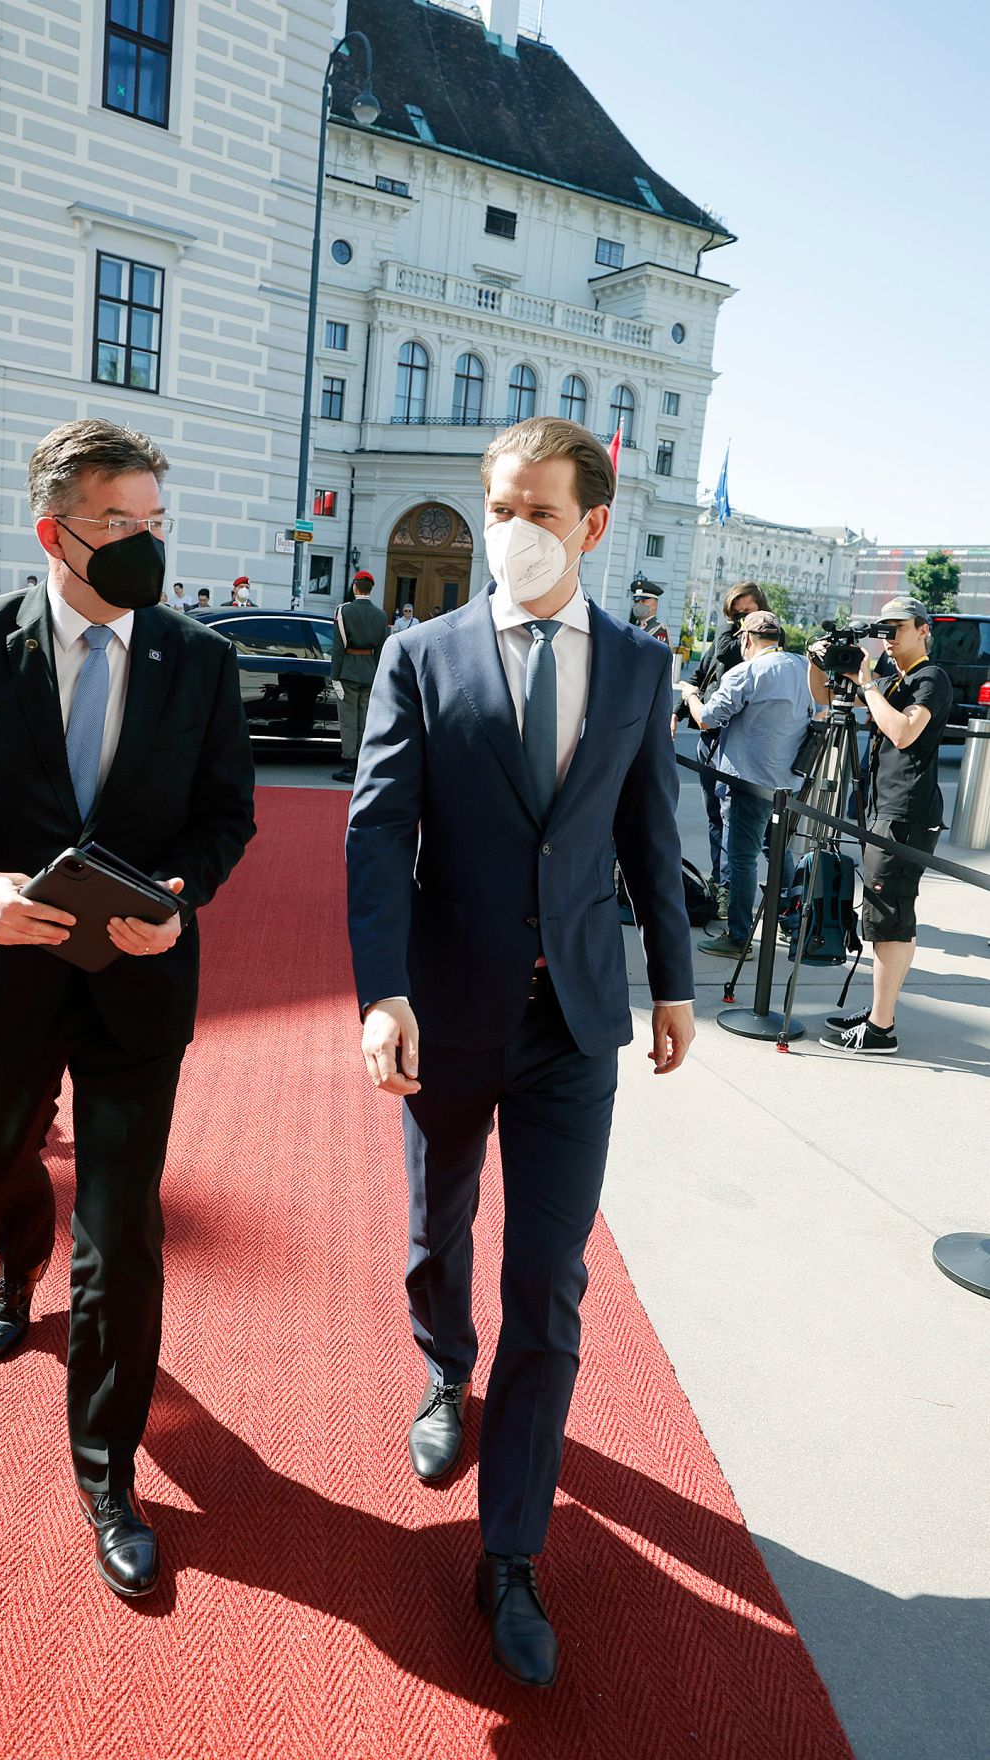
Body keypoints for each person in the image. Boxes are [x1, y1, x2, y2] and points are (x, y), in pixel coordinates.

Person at [0, 418, 255, 1599]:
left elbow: (225, 817)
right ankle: (11, 1258)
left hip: (138, 986)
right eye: (119, 524)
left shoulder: (200, 659)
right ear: (54, 533)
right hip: (10, 979)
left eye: (155, 523)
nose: (145, 546)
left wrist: (184, 896)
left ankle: (108, 1474)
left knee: (123, 1236)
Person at [346, 416, 694, 1690]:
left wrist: (670, 979)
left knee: (549, 1278)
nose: (513, 530)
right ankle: (445, 1370)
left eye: (539, 510)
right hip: (449, 1006)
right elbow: (379, 829)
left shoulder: (643, 667)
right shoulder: (423, 653)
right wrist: (382, 989)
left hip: (577, 1018)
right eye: (500, 505)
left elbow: (649, 835)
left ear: (592, 525)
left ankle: (510, 1553)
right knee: (442, 1232)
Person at [812, 596, 952, 1055]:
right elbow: (823, 698)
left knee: (886, 919)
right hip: (886, 811)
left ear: (923, 629)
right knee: (894, 918)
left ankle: (880, 1030)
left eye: (897, 630)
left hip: (905, 815)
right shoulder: (894, 681)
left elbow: (903, 732)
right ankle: (878, 1013)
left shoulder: (930, 679)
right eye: (883, 630)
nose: (888, 639)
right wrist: (821, 662)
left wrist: (869, 684)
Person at [678, 609, 809, 958]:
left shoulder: (747, 671)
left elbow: (706, 719)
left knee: (741, 860)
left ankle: (738, 937)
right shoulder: (802, 667)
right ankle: (792, 921)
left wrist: (690, 695)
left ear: (747, 639)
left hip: (747, 781)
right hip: (786, 782)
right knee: (779, 851)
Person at [682, 581, 769, 908]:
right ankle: (721, 881)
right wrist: (677, 712)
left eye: (745, 612)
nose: (739, 620)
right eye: (734, 614)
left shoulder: (764, 640)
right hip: (709, 736)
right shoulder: (731, 635)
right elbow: (701, 675)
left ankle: (733, 889)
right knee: (714, 815)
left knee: (735, 819)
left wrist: (737, 628)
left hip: (737, 740)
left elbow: (724, 651)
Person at [329, 570, 387, 785]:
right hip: (370, 672)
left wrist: (335, 676)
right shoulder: (381, 615)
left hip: (348, 672)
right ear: (371, 589)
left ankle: (350, 765)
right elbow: (382, 650)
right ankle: (364, 764)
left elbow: (338, 648)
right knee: (365, 721)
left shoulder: (344, 611)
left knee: (348, 721)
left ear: (355, 586)